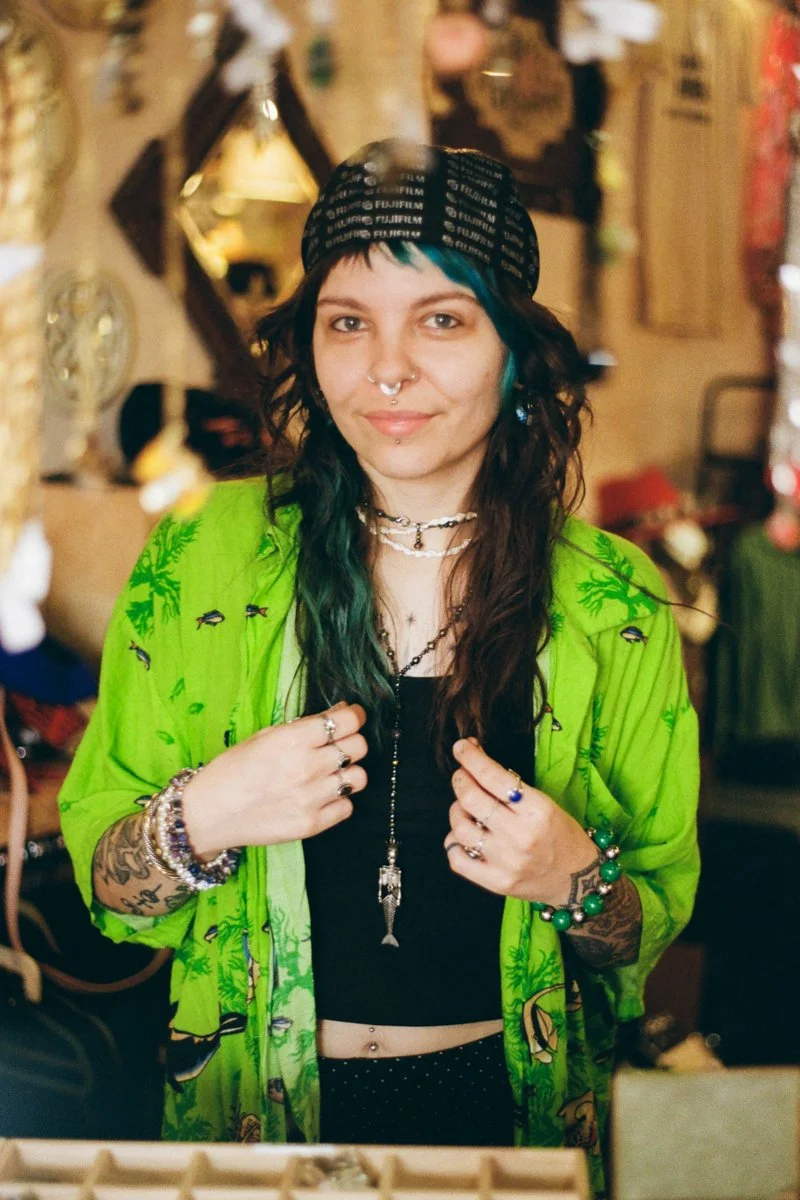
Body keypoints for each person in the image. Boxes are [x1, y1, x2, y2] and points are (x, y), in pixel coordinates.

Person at [59, 140, 700, 1190]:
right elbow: (110, 895)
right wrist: (203, 816)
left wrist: (573, 880)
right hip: (247, 1123)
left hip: (502, 1122)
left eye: (442, 321)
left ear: (515, 350)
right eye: (347, 322)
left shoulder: (611, 602)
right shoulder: (202, 554)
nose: (386, 370)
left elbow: (637, 945)